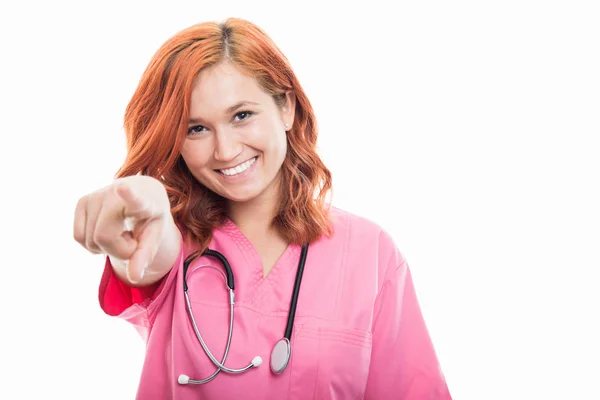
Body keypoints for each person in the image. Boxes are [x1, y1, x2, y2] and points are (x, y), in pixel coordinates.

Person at [73, 17, 452, 399]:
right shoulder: (171, 245)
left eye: (241, 115)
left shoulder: (371, 254)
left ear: (285, 107)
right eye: (196, 129)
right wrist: (147, 204)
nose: (225, 150)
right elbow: (143, 260)